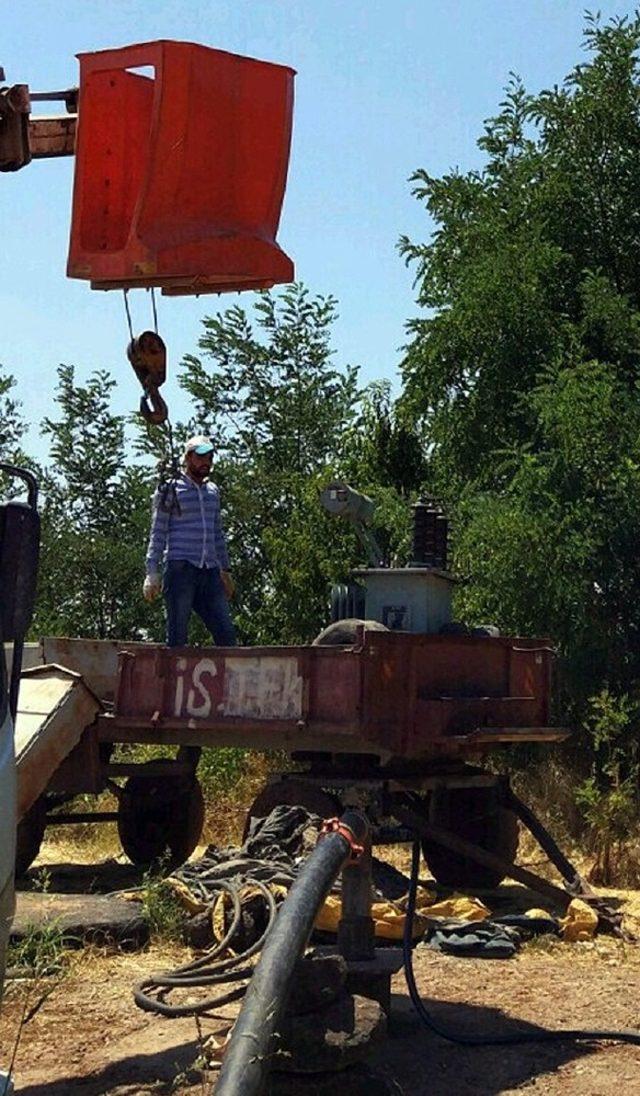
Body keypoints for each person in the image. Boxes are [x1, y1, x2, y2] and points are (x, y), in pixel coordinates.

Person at [143, 435, 237, 648]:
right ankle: (172, 679)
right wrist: (152, 572)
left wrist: (226, 570)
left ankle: (227, 680)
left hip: (209, 571)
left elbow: (217, 533)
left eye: (210, 456)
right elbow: (158, 532)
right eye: (201, 456)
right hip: (181, 568)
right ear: (188, 457)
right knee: (177, 637)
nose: (206, 462)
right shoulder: (170, 489)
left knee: (227, 635)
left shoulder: (212, 491)